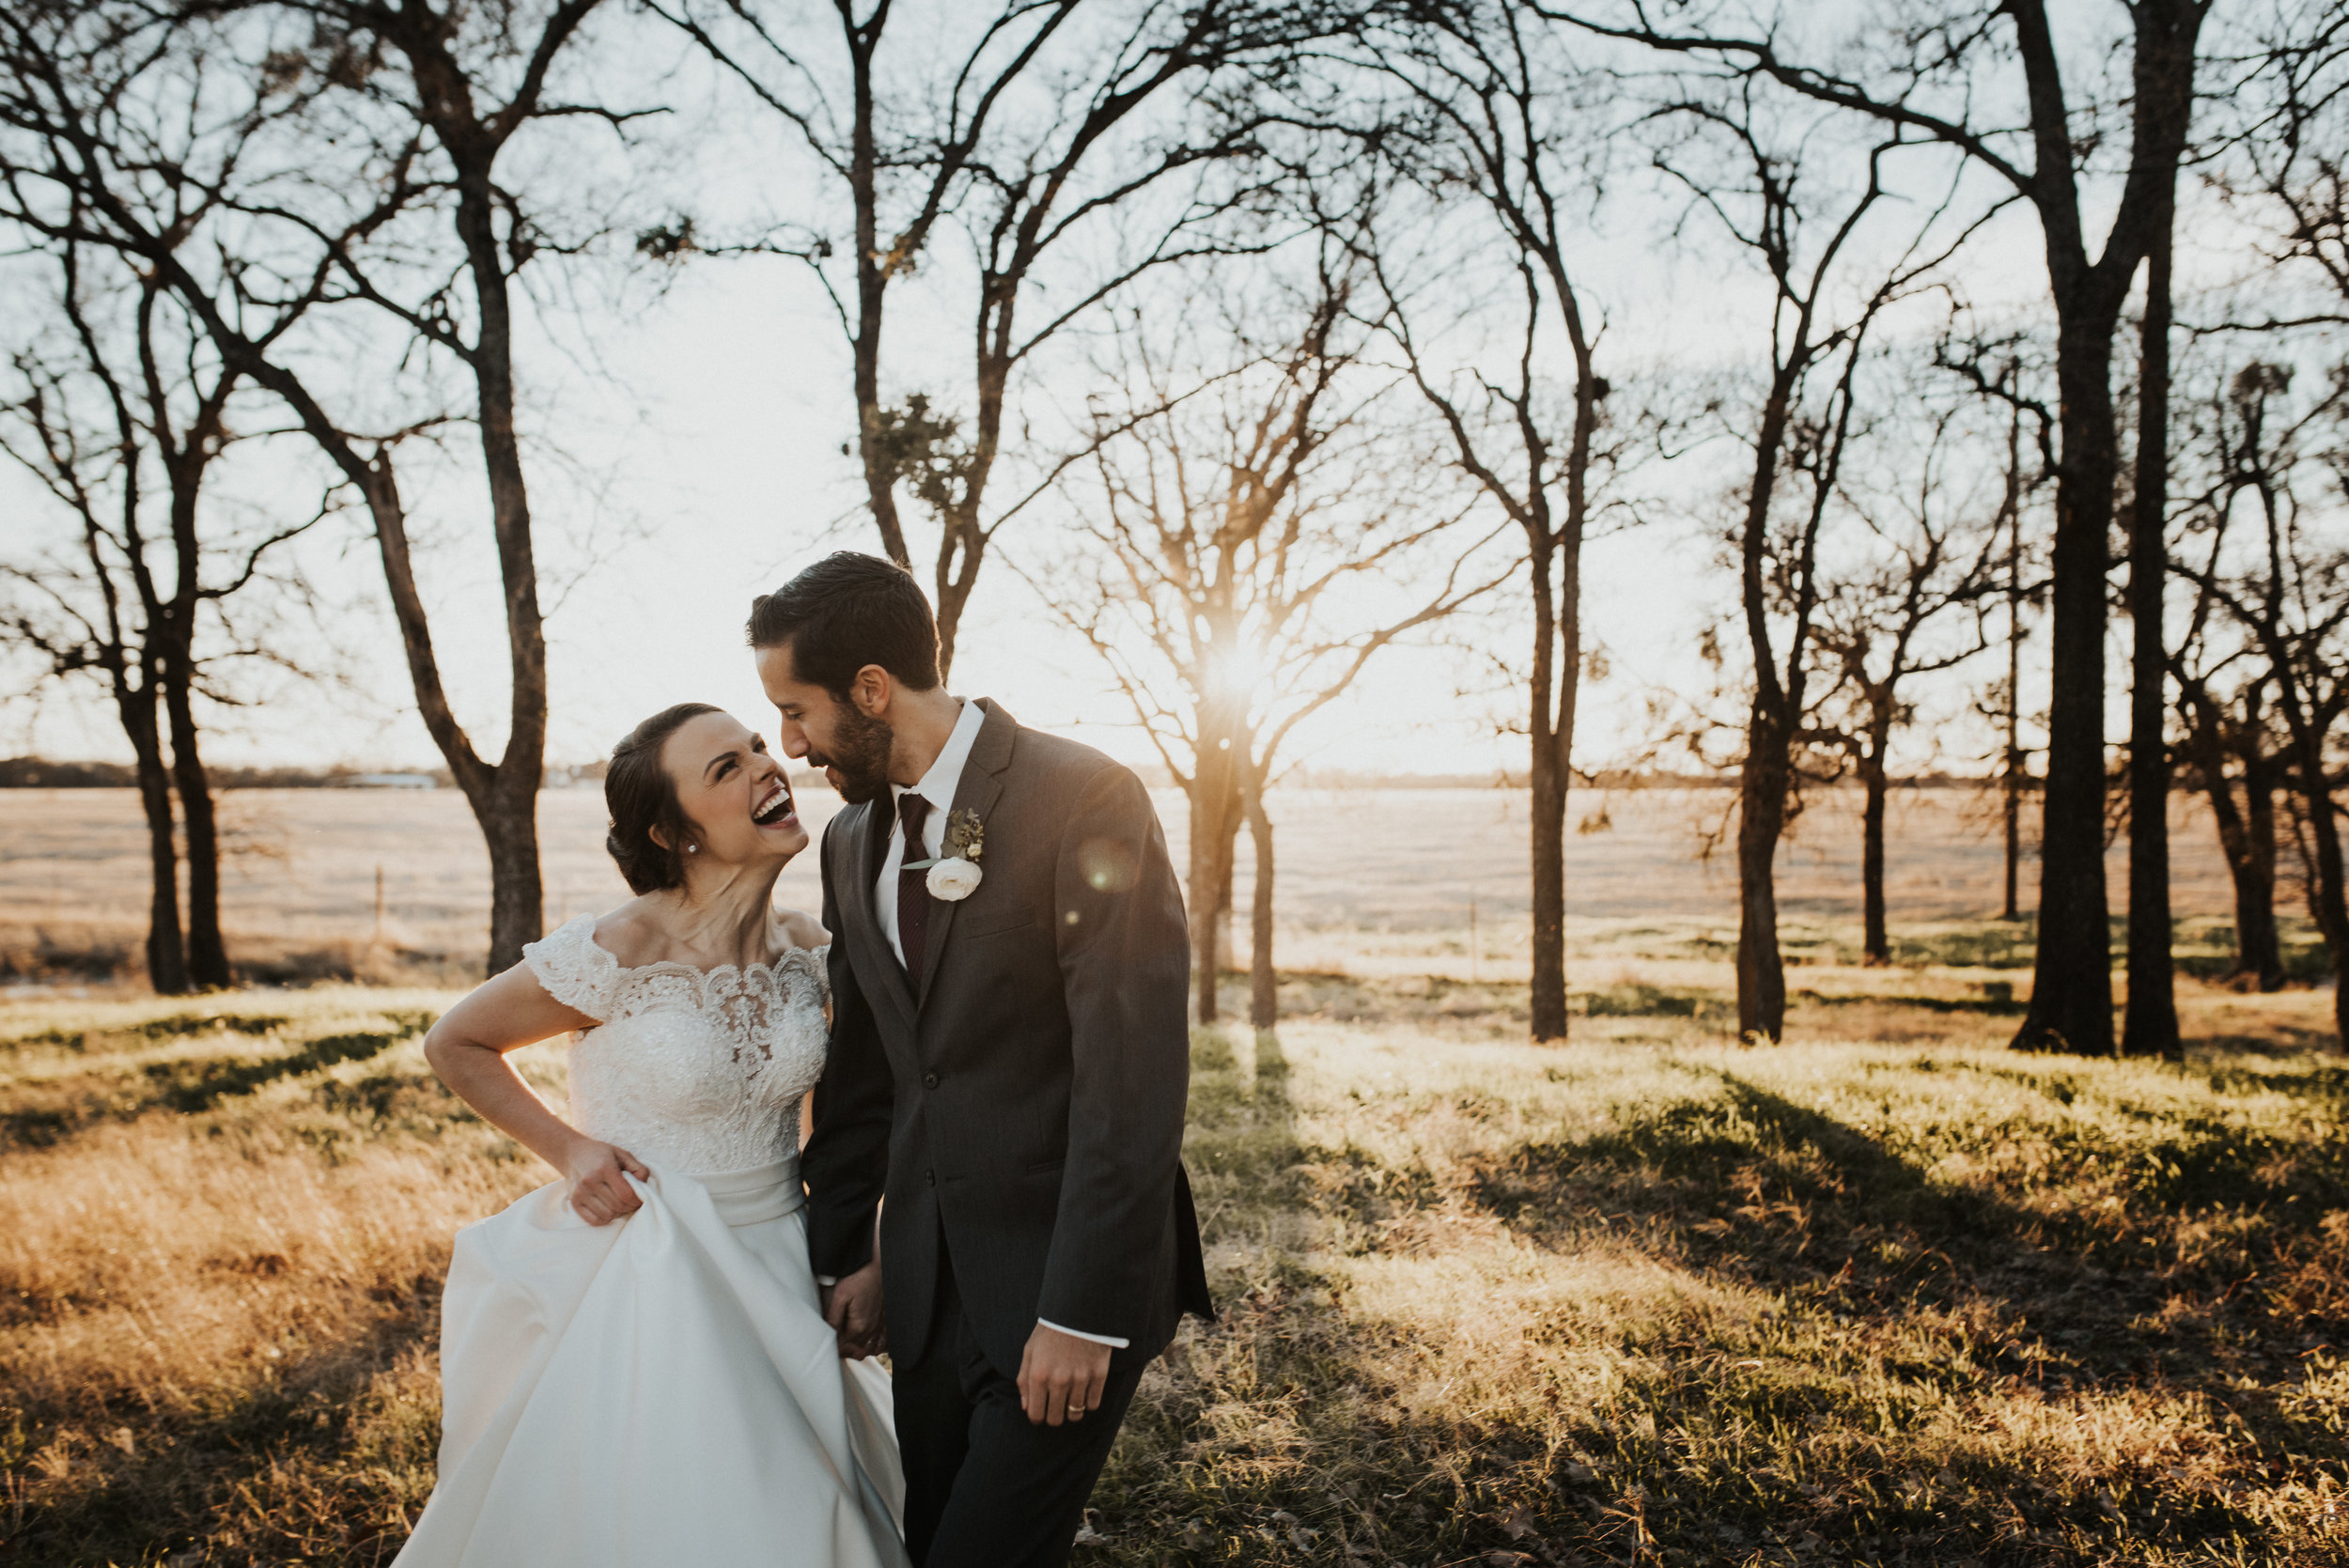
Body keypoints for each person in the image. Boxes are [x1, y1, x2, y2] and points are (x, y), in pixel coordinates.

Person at [754, 552, 1214, 1568]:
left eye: (797, 711)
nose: (788, 745)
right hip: (923, 1290)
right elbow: (868, 1069)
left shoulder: (1083, 795)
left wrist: (1081, 1314)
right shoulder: (850, 841)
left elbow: (1130, 1083)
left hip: (1061, 1285)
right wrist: (854, 1251)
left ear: (871, 690)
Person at [393, 703, 906, 1568]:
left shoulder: (813, 951)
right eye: (726, 769)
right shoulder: (615, 951)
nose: (764, 767)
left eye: (754, 747)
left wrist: (867, 1250)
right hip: (648, 1268)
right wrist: (571, 1148)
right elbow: (457, 1042)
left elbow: (842, 1121)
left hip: (784, 1259)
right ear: (672, 831)